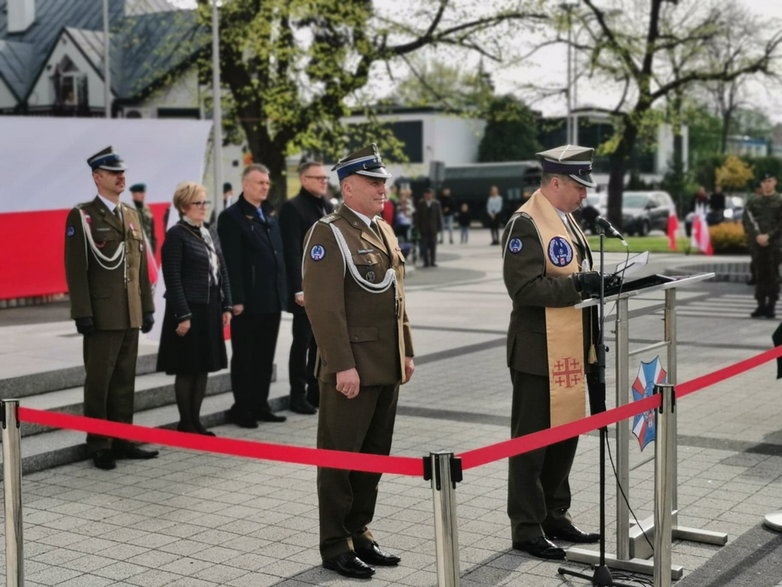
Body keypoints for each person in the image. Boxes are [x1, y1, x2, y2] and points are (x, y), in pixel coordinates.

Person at [302, 143, 415, 579]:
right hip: (351, 368)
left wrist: (406, 350)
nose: (382, 188)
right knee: (340, 458)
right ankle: (335, 542)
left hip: (385, 363)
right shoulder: (327, 234)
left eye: (383, 181)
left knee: (374, 456)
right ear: (348, 187)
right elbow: (323, 306)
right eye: (373, 182)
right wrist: (341, 364)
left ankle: (359, 531)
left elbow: (398, 299)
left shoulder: (383, 230)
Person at [501, 144, 603, 560]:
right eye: (578, 186)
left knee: (564, 435)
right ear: (556, 182)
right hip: (536, 349)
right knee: (532, 442)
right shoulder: (526, 223)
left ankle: (554, 514)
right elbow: (522, 288)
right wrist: (579, 286)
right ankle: (526, 527)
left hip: (569, 347)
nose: (585, 194)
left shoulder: (567, 221)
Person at [64, 146, 158, 470]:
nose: (121, 177)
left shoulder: (131, 215)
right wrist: (82, 313)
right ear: (97, 177)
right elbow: (76, 269)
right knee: (100, 382)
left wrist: (146, 307)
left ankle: (122, 439)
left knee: (124, 381)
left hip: (130, 312)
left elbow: (140, 267)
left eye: (122, 172)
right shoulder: (83, 215)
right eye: (113, 172)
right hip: (102, 315)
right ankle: (99, 444)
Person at [157, 182, 232, 435]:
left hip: (210, 307)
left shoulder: (208, 231)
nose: (203, 207)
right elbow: (173, 278)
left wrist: (227, 305)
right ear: (184, 206)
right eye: (198, 203)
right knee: (187, 368)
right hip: (189, 311)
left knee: (203, 367)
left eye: (204, 202)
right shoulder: (176, 235)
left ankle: (196, 421)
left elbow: (222, 271)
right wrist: (183, 314)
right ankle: (185, 422)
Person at [218, 164, 288, 427]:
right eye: (259, 182)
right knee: (245, 357)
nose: (265, 186)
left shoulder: (268, 214)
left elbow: (276, 255)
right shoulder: (232, 217)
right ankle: (243, 407)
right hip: (246, 303)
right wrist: (235, 298)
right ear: (245, 185)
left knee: (264, 356)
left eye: (267, 182)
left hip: (270, 298)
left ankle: (260, 404)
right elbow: (231, 263)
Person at [278, 161, 334, 414]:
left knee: (320, 344)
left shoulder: (326, 205)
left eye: (325, 177)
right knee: (301, 342)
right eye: (318, 177)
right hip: (305, 290)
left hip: (325, 289)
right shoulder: (292, 208)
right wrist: (297, 288)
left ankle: (315, 391)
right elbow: (290, 251)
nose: (324, 181)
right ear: (304, 180)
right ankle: (297, 394)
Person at [743, 172, 782, 318]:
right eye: (764, 181)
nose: (766, 184)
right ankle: (760, 305)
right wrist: (757, 236)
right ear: (761, 184)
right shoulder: (753, 201)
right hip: (757, 244)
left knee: (772, 275)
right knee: (759, 275)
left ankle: (771, 306)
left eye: (769, 181)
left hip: (774, 245)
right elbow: (748, 221)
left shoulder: (779, 200)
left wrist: (769, 236)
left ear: (775, 182)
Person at [415, 187, 442, 267]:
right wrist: (417, 227)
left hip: (433, 228)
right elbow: (418, 216)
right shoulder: (421, 203)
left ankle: (433, 261)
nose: (429, 196)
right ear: (425, 195)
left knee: (433, 246)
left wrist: (439, 227)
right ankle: (426, 262)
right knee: (424, 246)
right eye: (427, 194)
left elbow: (438, 216)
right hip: (424, 228)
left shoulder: (436, 203)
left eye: (430, 194)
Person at [129, 183, 157, 253]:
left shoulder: (147, 210)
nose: (143, 195)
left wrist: (153, 249)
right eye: (140, 193)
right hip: (135, 249)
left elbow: (152, 231)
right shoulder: (129, 210)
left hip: (148, 248)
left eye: (143, 192)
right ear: (133, 194)